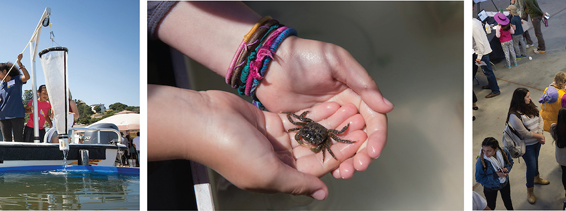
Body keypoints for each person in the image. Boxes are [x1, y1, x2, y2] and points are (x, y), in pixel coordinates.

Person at [149, 1, 392, 199]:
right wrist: (195, 126)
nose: (307, 138)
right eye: (307, 135)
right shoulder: (303, 126)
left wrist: (271, 57)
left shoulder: (324, 137)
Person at [506, 88, 550, 204]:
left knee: (535, 161)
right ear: (521, 99)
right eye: (527, 97)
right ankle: (529, 189)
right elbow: (524, 133)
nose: (530, 98)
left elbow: (540, 118)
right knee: (531, 166)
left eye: (529, 96)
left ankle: (536, 178)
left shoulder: (529, 105)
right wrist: (539, 137)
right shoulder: (514, 115)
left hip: (536, 142)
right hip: (527, 145)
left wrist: (540, 134)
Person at [0, 53, 31, 142]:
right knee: (6, 140)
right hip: (3, 116)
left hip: (17, 114)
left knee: (18, 139)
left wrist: (19, 63)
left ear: (5, 71)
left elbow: (27, 77)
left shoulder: (17, 79)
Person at [475, 137, 515, 210]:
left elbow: (510, 162)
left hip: (504, 183)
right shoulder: (481, 161)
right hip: (490, 188)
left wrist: (507, 169)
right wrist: (496, 175)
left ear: (496, 148)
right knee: (491, 206)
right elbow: (479, 178)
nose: (485, 154)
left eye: (488, 151)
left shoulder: (504, 151)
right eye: (483, 150)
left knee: (508, 202)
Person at [474, 18, 501, 98]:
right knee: (487, 71)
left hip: (482, 52)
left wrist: (479, 56)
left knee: (487, 71)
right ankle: (491, 84)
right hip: (483, 50)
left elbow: (479, 43)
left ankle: (495, 90)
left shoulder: (473, 26)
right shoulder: (476, 21)